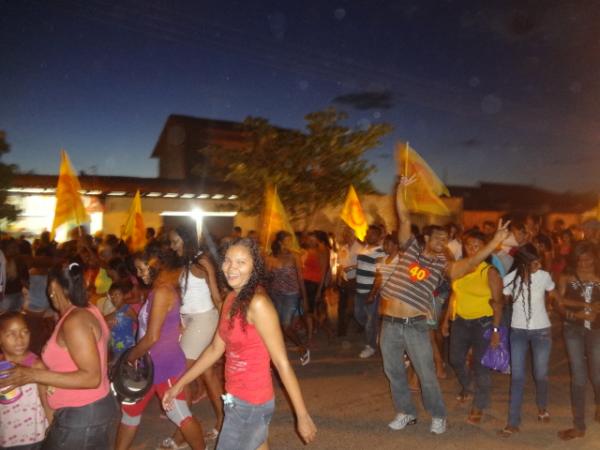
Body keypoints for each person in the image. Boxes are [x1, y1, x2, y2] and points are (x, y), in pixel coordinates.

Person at [380, 176, 510, 435]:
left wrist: (494, 243)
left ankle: (438, 415)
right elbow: (404, 218)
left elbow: (470, 264)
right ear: (426, 238)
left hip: (415, 325)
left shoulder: (442, 266)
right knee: (394, 372)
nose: (442, 242)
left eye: (446, 238)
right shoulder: (411, 250)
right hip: (390, 323)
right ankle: (406, 411)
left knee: (426, 374)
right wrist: (401, 191)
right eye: (437, 237)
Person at [162, 237, 317, 450]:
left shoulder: (259, 304)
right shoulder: (231, 299)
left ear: (254, 268)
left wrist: (302, 415)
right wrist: (179, 384)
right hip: (235, 398)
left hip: (251, 403)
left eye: (241, 262)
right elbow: (216, 348)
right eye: (228, 260)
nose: (231, 267)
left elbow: (282, 364)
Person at [0, 260, 117, 449]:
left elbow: (91, 377)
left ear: (54, 287)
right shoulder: (86, 310)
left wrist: (31, 374)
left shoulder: (75, 321)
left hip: (81, 415)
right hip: (86, 413)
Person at [114, 247, 205, 450]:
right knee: (130, 413)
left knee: (180, 415)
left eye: (141, 269)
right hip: (147, 368)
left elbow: (152, 336)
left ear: (154, 265)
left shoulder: (162, 292)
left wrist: (129, 357)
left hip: (165, 367)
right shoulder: (158, 291)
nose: (138, 274)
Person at [168, 226, 224, 444]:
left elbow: (216, 295)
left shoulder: (202, 262)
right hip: (188, 322)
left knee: (182, 376)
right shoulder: (182, 263)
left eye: (175, 241)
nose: (172, 247)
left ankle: (184, 429)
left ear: (186, 240)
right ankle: (221, 420)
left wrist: (226, 324)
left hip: (203, 321)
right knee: (208, 374)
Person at [442, 229, 503, 424]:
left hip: (482, 323)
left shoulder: (489, 271)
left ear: (484, 248)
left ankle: (479, 405)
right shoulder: (460, 268)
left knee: (480, 366)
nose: (472, 249)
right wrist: (446, 320)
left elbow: (498, 303)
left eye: (477, 245)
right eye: (468, 245)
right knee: (455, 359)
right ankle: (468, 386)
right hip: (460, 320)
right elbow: (454, 295)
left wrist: (495, 330)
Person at [499, 244, 559, 437]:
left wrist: (556, 305)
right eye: (534, 261)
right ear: (523, 262)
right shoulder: (509, 279)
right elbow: (504, 300)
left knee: (540, 373)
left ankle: (542, 406)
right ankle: (513, 421)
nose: (538, 264)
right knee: (516, 377)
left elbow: (552, 292)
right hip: (518, 332)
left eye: (538, 261)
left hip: (542, 331)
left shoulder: (544, 276)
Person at [556, 243, 600, 440]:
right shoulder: (567, 277)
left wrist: (596, 310)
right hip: (573, 329)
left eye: (588, 259)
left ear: (595, 258)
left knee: (598, 375)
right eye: (580, 259)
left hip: (597, 330)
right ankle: (579, 426)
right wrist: (578, 315)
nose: (584, 263)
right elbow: (558, 304)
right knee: (579, 377)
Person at [0, 312, 52, 449]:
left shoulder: (36, 365)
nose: (20, 339)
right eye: (11, 334)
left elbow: (45, 399)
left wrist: (53, 426)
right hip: (5, 436)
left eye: (25, 332)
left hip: (34, 436)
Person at [267, 230, 310, 365]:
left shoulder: (294, 257)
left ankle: (303, 349)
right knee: (279, 324)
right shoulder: (271, 257)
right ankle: (280, 352)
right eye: (287, 240)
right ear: (280, 242)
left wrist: (305, 297)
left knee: (286, 325)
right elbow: (268, 278)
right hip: (276, 294)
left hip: (291, 294)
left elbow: (300, 278)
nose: (290, 243)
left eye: (291, 240)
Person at [355, 225, 386, 358]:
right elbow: (361, 266)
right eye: (368, 233)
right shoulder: (364, 248)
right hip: (359, 289)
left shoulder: (381, 252)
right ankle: (374, 333)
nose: (369, 235)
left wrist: (373, 293)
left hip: (370, 290)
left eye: (372, 234)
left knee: (369, 320)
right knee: (359, 316)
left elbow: (379, 274)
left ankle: (371, 346)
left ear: (379, 237)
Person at [104, 280, 137, 363]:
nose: (114, 298)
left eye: (117, 294)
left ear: (123, 295)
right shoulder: (116, 311)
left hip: (127, 347)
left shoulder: (127, 309)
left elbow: (139, 321)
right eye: (112, 295)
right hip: (116, 347)